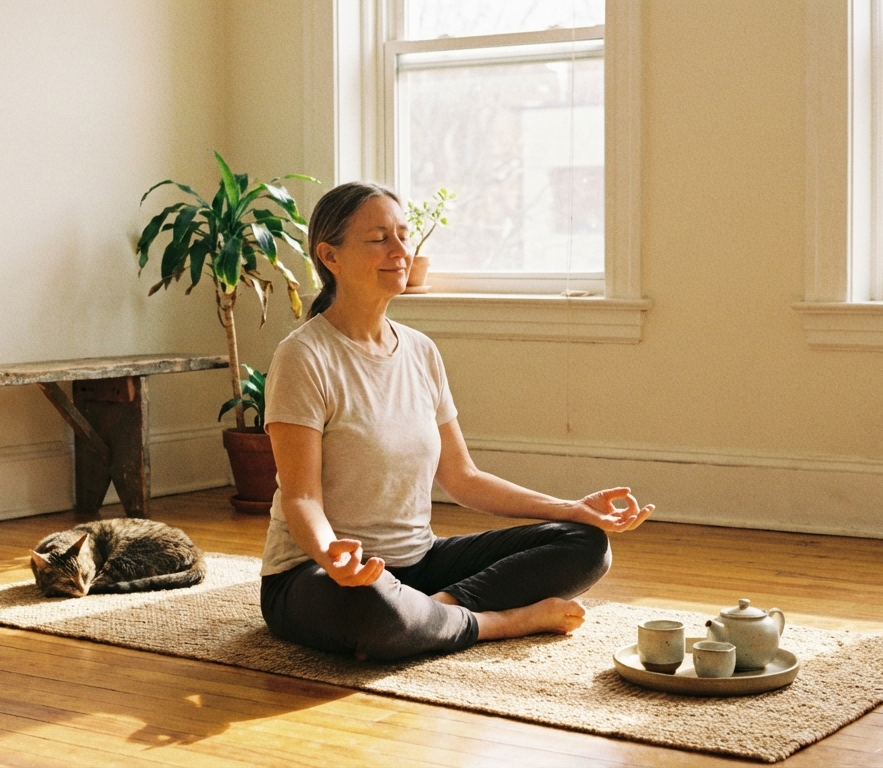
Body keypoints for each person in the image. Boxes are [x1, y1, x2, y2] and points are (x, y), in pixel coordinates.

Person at [259, 181, 653, 661]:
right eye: (379, 238)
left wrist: (571, 508)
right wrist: (331, 554)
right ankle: (498, 622)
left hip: (417, 563)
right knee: (373, 611)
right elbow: (300, 496)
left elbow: (463, 479)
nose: (400, 250)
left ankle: (428, 617)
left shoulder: (420, 351)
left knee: (586, 546)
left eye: (404, 235)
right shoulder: (303, 356)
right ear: (331, 256)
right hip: (317, 575)